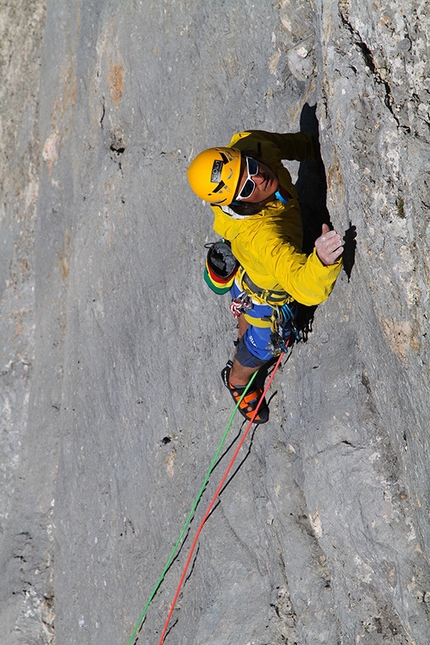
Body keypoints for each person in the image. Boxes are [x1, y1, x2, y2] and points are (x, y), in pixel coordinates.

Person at [187, 130, 343, 424]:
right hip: (267, 298)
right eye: (246, 188)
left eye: (251, 167)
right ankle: (237, 379)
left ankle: (240, 329)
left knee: (246, 307)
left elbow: (285, 144)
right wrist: (321, 261)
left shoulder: (251, 146)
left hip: (248, 276)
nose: (259, 178)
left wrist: (318, 143)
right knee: (261, 348)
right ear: (238, 205)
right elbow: (304, 287)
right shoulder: (263, 238)